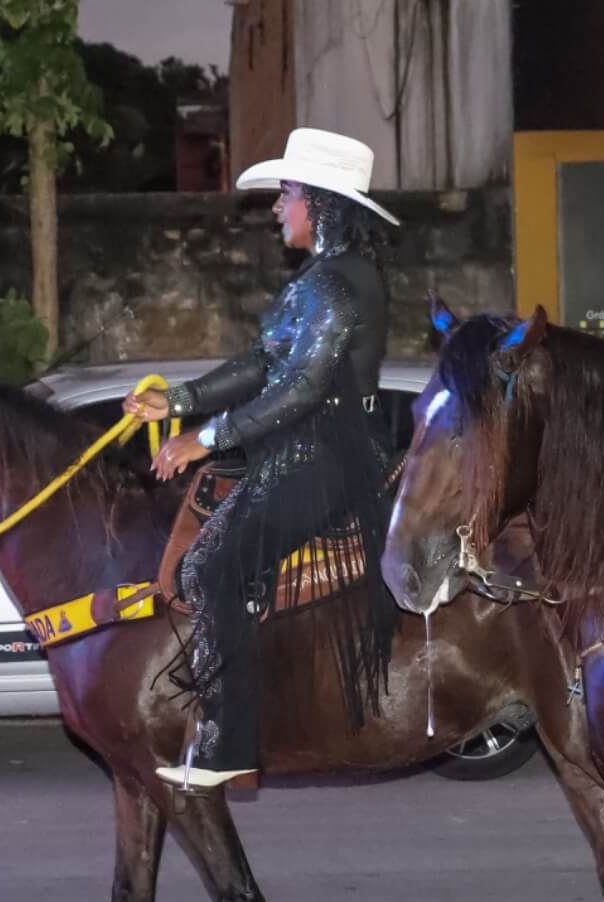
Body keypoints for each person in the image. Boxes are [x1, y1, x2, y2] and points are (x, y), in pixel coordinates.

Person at [125, 128, 402, 789]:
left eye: (286, 194)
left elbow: (302, 387)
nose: (278, 207)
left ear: (321, 204)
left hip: (326, 458)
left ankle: (229, 745)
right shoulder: (321, 281)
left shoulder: (336, 286)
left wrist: (207, 437)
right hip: (303, 449)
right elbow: (260, 363)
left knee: (210, 565)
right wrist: (180, 399)